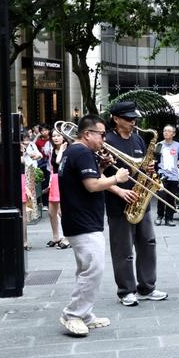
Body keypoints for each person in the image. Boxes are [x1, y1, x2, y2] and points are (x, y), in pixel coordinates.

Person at [58, 114, 131, 336]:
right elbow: (91, 186)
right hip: (83, 220)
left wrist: (101, 167)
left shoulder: (76, 151)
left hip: (79, 218)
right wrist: (116, 178)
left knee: (85, 269)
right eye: (101, 134)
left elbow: (86, 181)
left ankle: (85, 313)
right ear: (87, 134)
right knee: (94, 269)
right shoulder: (81, 152)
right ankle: (73, 314)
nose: (104, 139)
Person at [104, 101, 168, 307]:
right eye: (129, 118)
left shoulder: (139, 139)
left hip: (141, 199)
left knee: (148, 243)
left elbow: (144, 167)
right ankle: (126, 290)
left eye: (134, 118)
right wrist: (119, 191)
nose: (134, 122)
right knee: (123, 249)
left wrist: (149, 168)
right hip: (118, 201)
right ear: (116, 119)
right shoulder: (107, 141)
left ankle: (147, 287)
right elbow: (100, 175)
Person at [154, 125, 179, 227]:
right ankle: (159, 216)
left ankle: (169, 218)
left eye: (168, 131)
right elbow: (154, 159)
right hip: (161, 175)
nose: (166, 132)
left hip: (174, 176)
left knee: (171, 198)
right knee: (162, 196)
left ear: (173, 134)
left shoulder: (177, 145)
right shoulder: (159, 145)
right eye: (165, 131)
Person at [47, 129, 69, 249]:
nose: (55, 138)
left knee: (62, 211)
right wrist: (50, 181)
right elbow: (52, 167)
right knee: (51, 212)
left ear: (64, 137)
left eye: (58, 136)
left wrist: (61, 149)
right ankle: (56, 237)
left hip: (63, 179)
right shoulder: (52, 149)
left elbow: (58, 161)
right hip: (54, 180)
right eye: (54, 136)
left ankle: (67, 237)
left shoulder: (67, 149)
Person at [35, 124, 51, 209]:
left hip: (49, 163)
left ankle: (47, 203)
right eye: (42, 131)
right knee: (41, 182)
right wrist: (37, 136)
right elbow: (32, 146)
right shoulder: (38, 141)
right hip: (41, 163)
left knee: (48, 182)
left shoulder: (52, 140)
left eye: (46, 130)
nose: (44, 132)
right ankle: (42, 202)